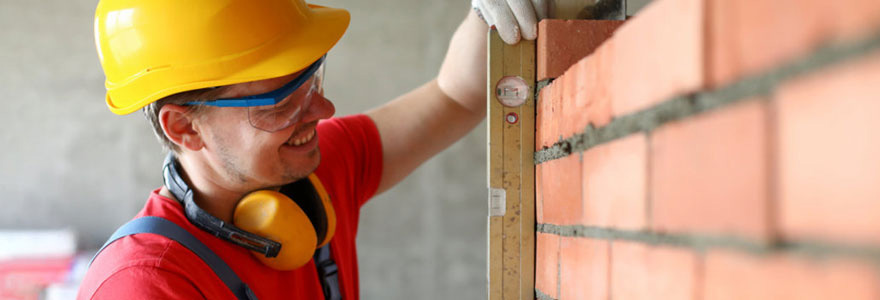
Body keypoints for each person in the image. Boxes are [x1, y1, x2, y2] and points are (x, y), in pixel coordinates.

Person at [77, 0, 545, 299]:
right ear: (184, 127)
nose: (322, 109)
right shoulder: (144, 284)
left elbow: (453, 98)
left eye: (311, 79)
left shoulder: (312, 173)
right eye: (281, 102)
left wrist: (487, 14)